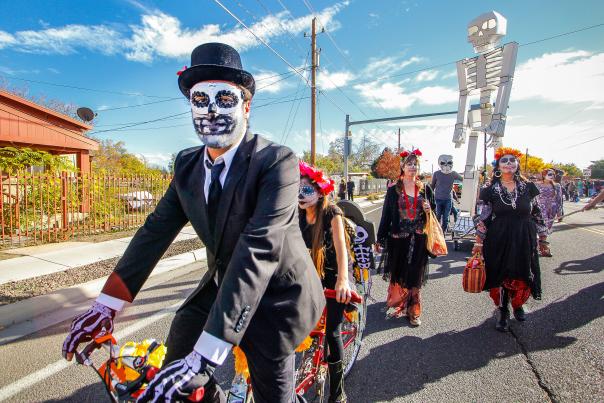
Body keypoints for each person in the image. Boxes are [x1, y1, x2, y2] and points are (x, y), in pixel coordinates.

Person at [62, 43, 325, 403]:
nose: (211, 109)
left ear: (247, 107)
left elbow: (259, 248)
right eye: (200, 100)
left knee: (270, 392)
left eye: (225, 99)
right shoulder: (186, 164)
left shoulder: (277, 161)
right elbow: (155, 231)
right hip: (221, 285)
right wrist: (105, 306)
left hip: (275, 296)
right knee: (177, 366)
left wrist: (207, 354)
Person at [472, 147, 548, 332]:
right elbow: (484, 216)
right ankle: (503, 310)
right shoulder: (490, 190)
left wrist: (543, 237)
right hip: (499, 238)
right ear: (498, 166)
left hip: (524, 237)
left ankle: (517, 305)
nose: (508, 163)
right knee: (502, 274)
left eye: (512, 161)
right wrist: (479, 241)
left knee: (522, 272)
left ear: (517, 165)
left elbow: (537, 213)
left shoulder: (528, 188)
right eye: (504, 161)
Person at [298, 161, 352, 403]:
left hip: (332, 278)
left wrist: (342, 281)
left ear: (320, 192)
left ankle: (338, 392)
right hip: (307, 278)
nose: (300, 194)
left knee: (332, 332)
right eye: (296, 189)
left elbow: (341, 249)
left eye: (306, 190)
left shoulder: (332, 213)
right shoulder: (296, 214)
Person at [376, 149, 434, 326]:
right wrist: (380, 238)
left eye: (415, 164)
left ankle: (413, 310)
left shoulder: (425, 189)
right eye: (409, 164)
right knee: (400, 272)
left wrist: (428, 211)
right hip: (398, 239)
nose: (413, 167)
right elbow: (386, 214)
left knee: (415, 274)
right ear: (402, 166)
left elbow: (434, 215)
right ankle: (400, 298)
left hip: (418, 238)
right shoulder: (394, 190)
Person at [431, 154, 463, 232]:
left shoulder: (454, 173)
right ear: (439, 163)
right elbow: (432, 186)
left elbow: (465, 179)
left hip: (448, 200)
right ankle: (436, 232)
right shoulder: (436, 173)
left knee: (446, 218)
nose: (446, 165)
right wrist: (429, 198)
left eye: (448, 163)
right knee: (437, 216)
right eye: (443, 163)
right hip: (437, 199)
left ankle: (443, 233)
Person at [536, 168, 563, 256]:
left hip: (552, 210)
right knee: (542, 228)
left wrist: (560, 213)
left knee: (547, 229)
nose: (552, 176)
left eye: (553, 175)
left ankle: (542, 247)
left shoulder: (557, 186)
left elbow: (559, 199)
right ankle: (544, 248)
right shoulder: (537, 185)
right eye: (550, 174)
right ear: (544, 175)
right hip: (540, 209)